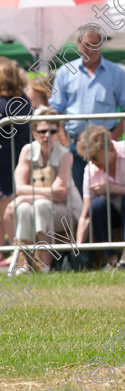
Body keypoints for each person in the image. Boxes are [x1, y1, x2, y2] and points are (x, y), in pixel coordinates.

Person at [50, 26, 125, 194]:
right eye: (87, 45)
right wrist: (63, 140)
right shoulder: (65, 73)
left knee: (105, 195)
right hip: (73, 144)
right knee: (76, 196)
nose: (91, 49)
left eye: (95, 44)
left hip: (105, 147)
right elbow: (55, 111)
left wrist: (112, 138)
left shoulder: (117, 74)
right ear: (78, 45)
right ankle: (81, 221)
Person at [5, 109, 80, 273]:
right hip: (38, 207)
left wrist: (25, 196)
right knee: (24, 208)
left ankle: (45, 264)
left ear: (58, 132)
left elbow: (60, 193)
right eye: (42, 131)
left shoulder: (65, 154)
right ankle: (26, 262)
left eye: (52, 131)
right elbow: (19, 187)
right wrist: (25, 198)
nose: (47, 135)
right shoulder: (27, 150)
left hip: (67, 211)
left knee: (39, 205)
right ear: (34, 132)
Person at [75, 124, 125, 270]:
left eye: (95, 157)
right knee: (96, 206)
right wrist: (77, 250)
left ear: (108, 149)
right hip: (116, 215)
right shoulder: (90, 169)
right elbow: (86, 214)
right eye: (89, 158)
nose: (92, 163)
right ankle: (111, 259)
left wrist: (113, 189)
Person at [0, 58, 33, 267]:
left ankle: (15, 253)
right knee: (8, 208)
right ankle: (13, 251)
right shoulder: (23, 100)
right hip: (18, 159)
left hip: (6, 161)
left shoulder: (4, 103)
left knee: (6, 208)